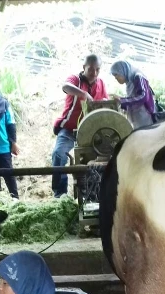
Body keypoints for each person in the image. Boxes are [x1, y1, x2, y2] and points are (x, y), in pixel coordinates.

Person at [51, 54, 108, 198]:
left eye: (97, 70)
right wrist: (83, 94)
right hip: (70, 130)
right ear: (84, 67)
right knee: (58, 155)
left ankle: (91, 194)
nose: (94, 73)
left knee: (96, 162)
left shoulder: (101, 83)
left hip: (90, 132)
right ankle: (60, 195)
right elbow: (65, 86)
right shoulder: (75, 79)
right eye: (91, 69)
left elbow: (105, 101)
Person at [110, 60, 157, 129]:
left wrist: (122, 100)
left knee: (145, 136)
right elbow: (132, 98)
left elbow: (143, 97)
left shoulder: (138, 76)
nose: (115, 78)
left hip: (144, 116)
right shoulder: (129, 81)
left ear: (123, 71)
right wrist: (121, 101)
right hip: (137, 117)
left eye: (116, 74)